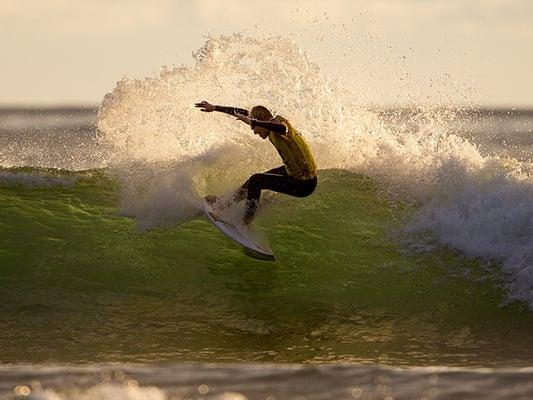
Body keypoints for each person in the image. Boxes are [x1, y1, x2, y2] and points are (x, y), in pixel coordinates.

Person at [195, 100, 317, 225]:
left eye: (254, 127)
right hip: (294, 173)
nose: (254, 131)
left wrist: (254, 122)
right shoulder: (269, 123)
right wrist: (215, 107)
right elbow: (241, 112)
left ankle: (245, 222)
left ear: (261, 122)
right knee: (254, 181)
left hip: (303, 184)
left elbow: (282, 128)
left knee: (256, 180)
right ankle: (224, 204)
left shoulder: (280, 127)